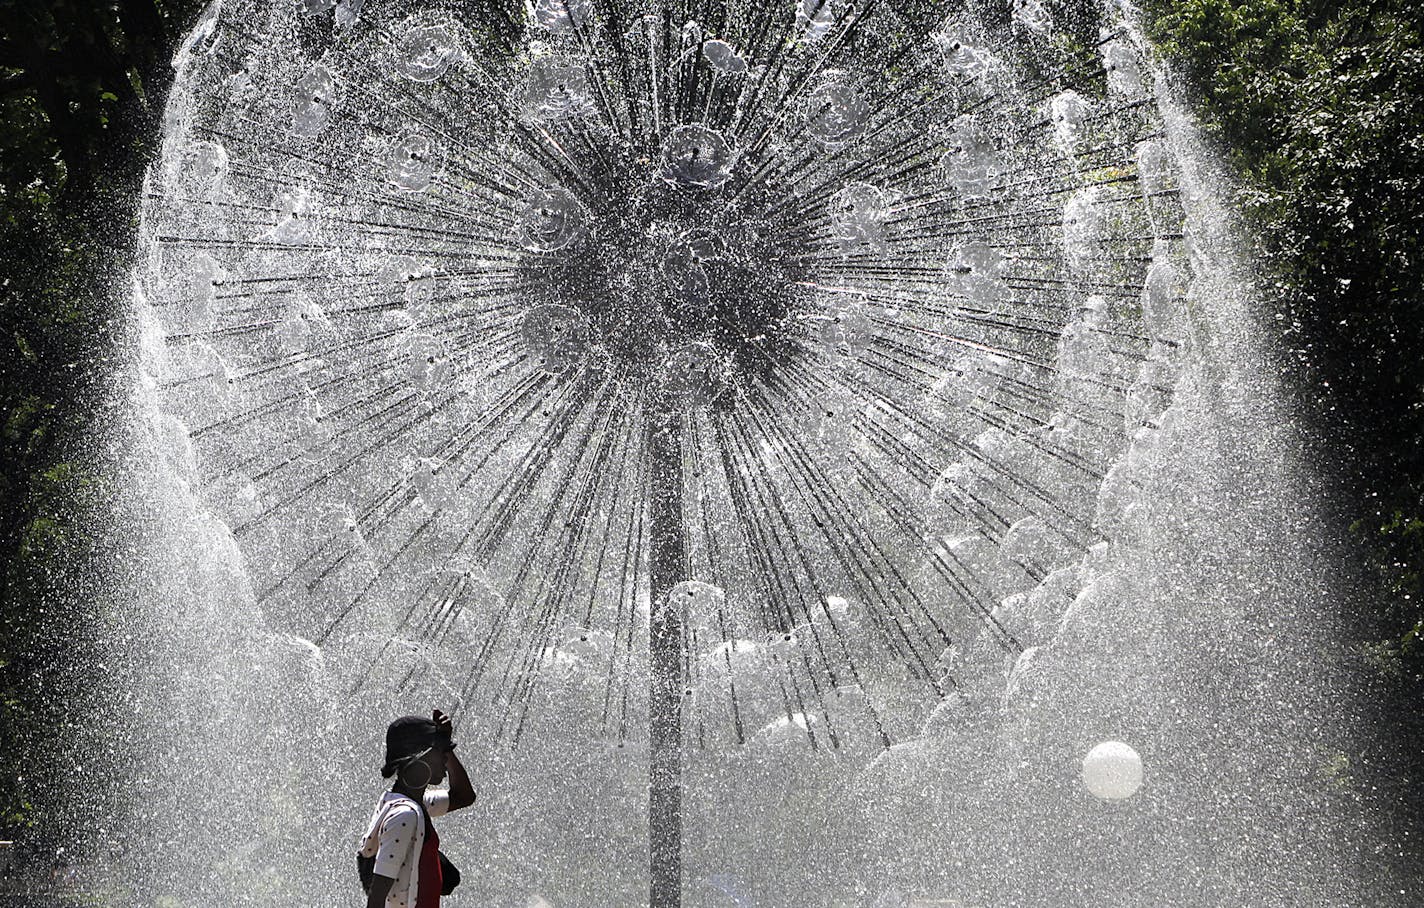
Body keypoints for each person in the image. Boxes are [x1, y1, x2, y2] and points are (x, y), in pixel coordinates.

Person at [358, 709, 476, 908]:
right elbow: (376, 899)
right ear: (421, 756)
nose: (446, 761)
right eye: (441, 753)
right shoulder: (405, 815)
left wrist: (446, 746)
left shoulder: (417, 804)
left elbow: (464, 796)